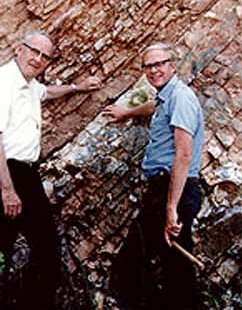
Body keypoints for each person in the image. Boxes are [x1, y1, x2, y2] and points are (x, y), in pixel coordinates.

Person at [0, 30, 101, 310]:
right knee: (44, 248)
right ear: (20, 49)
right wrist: (7, 190)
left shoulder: (28, 84)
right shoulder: (4, 82)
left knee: (17, 246)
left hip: (24, 174)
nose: (38, 59)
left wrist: (77, 88)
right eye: (34, 51)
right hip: (10, 173)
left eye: (45, 56)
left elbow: (46, 92)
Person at [104, 42, 204, 309]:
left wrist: (171, 207)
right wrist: (127, 112)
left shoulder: (181, 97)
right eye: (149, 66)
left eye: (160, 64)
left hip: (173, 189)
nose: (154, 70)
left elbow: (183, 155)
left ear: (173, 65)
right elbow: (155, 107)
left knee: (134, 262)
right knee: (174, 263)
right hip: (167, 188)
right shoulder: (168, 97)